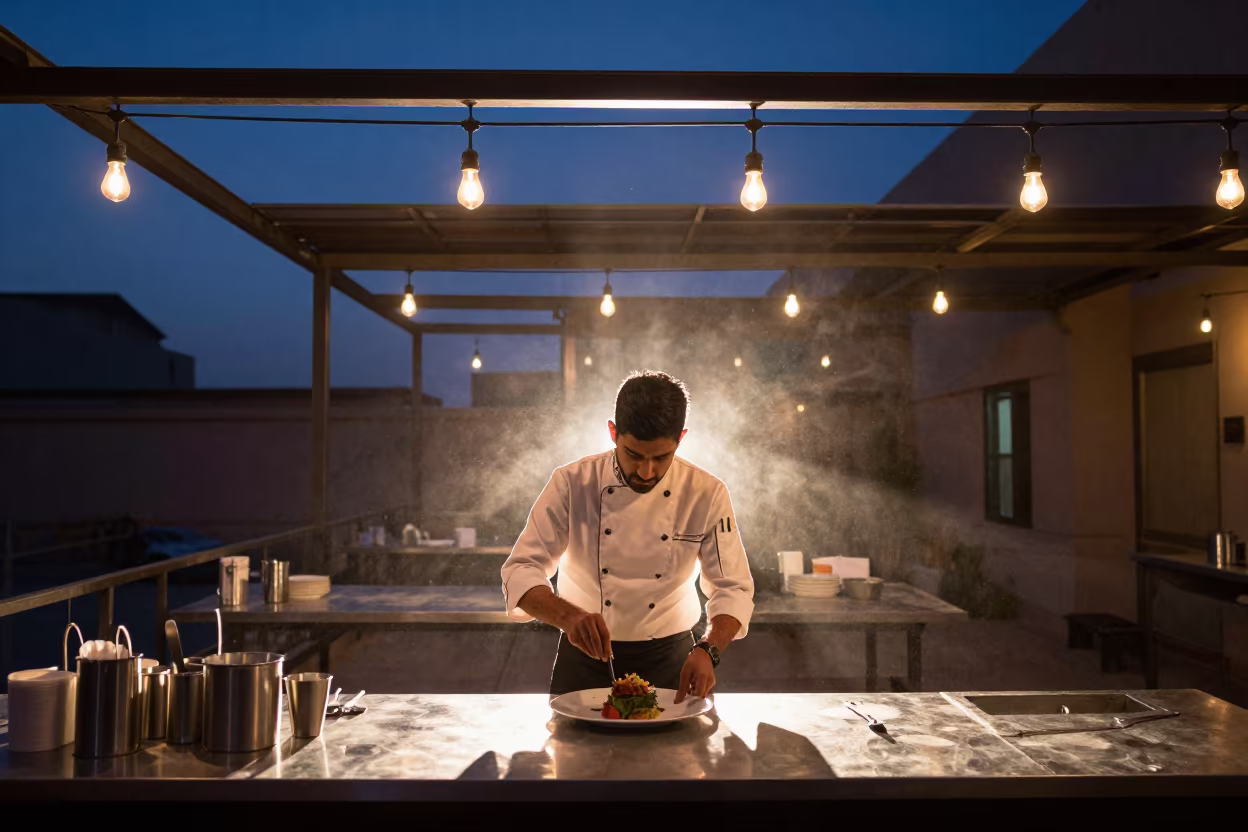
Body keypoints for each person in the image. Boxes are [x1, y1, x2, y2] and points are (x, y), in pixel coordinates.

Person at [501, 370, 754, 701]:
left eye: (661, 457)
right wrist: (568, 617)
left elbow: (732, 587)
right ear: (612, 433)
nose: (646, 472)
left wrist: (709, 649)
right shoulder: (572, 483)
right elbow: (521, 569)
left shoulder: (706, 493)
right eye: (634, 455)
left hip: (673, 662)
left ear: (681, 439)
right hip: (583, 660)